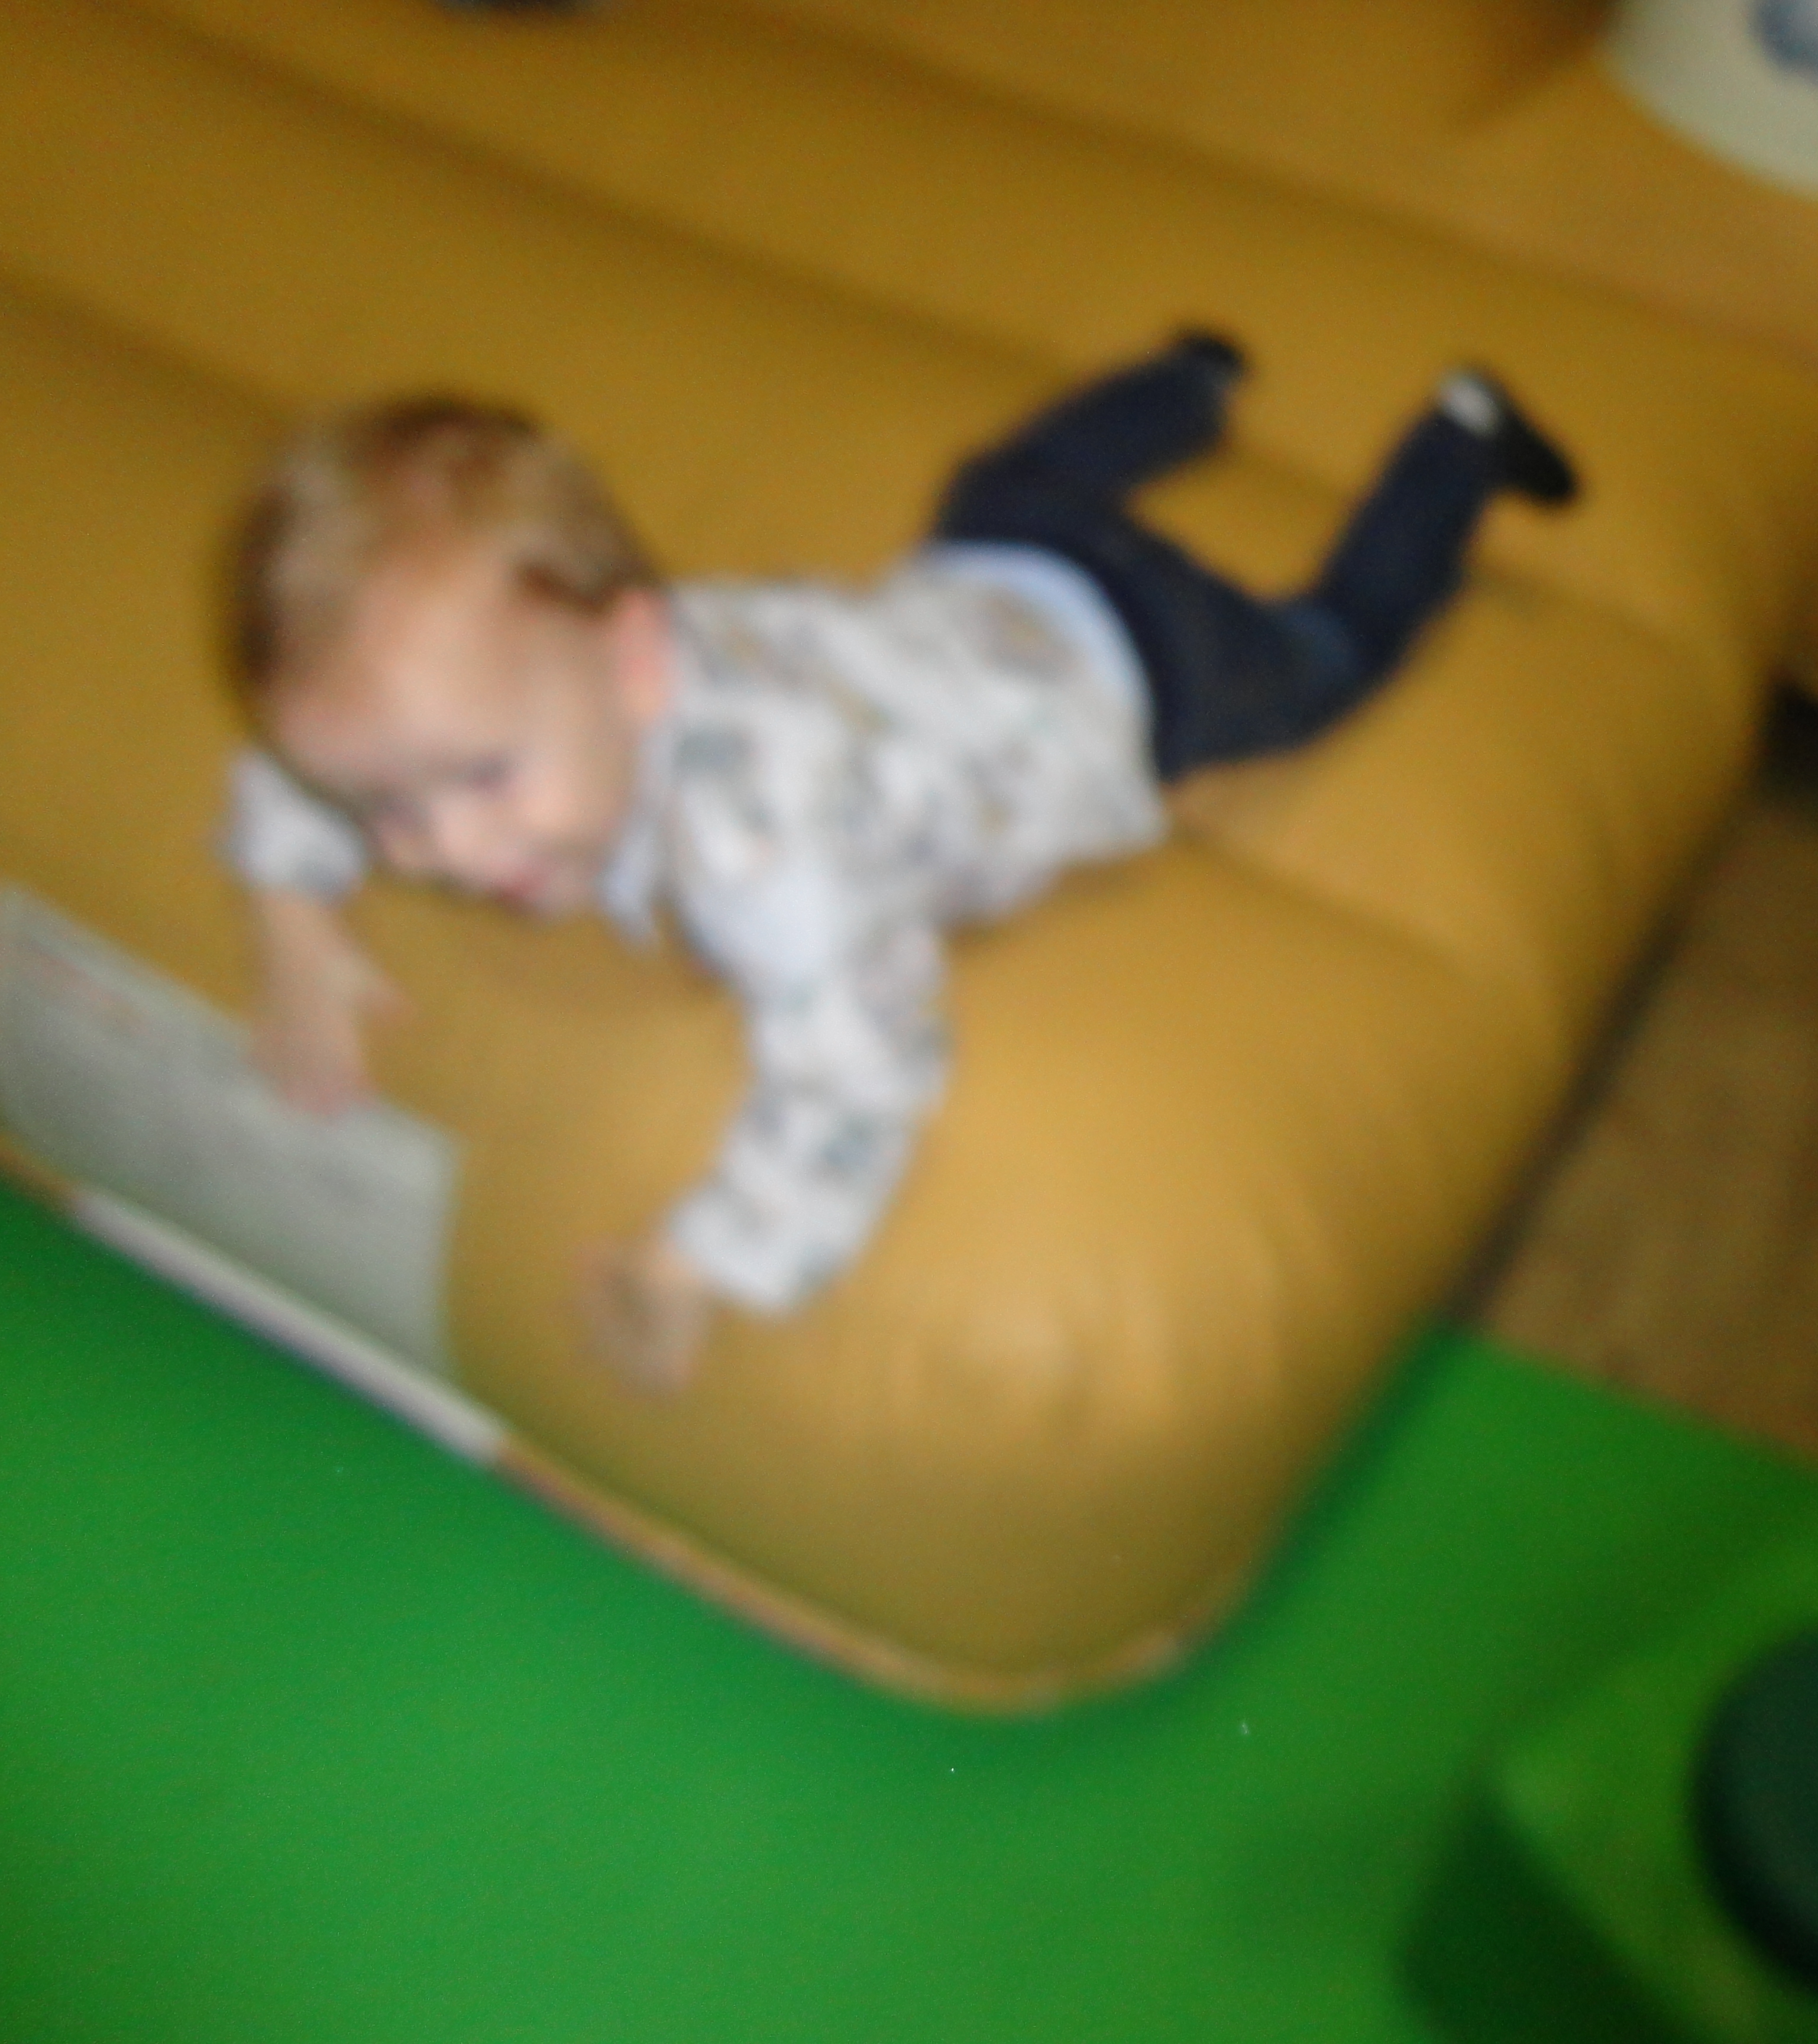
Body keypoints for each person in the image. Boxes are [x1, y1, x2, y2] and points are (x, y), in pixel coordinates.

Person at [218, 332, 1578, 1392]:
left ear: (634, 659)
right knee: (1006, 485)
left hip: (1136, 669)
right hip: (988, 567)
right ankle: (1190, 381)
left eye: (484, 781)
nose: (452, 851)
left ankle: (1461, 439)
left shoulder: (765, 858)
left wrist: (696, 1263)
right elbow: (336, 751)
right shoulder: (563, 664)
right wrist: (294, 917)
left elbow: (861, 1075)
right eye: (392, 812)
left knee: (1325, 658)